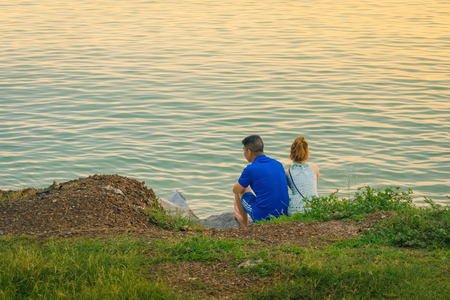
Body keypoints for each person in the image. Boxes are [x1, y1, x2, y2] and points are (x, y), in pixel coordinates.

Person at [232, 135, 289, 227]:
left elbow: (235, 190)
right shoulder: (278, 164)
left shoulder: (250, 169)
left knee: (241, 188)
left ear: (249, 152)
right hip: (283, 213)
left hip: (263, 216)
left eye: (244, 150)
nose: (244, 154)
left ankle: (244, 224)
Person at [286, 136, 319, 215]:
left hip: (295, 209)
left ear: (291, 156)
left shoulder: (287, 172)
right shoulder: (315, 169)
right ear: (306, 156)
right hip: (315, 207)